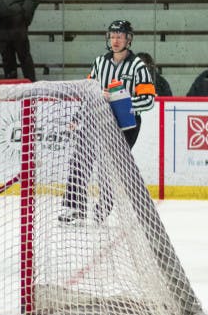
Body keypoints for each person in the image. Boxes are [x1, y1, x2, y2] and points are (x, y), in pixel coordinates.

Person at [59, 20, 155, 222]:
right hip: (98, 119)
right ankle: (75, 207)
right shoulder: (99, 63)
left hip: (126, 125)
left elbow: (148, 100)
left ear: (128, 39)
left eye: (120, 36)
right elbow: (89, 93)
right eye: (112, 36)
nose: (115, 40)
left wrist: (120, 100)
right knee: (80, 159)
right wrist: (78, 117)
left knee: (110, 166)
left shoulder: (138, 66)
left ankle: (103, 206)